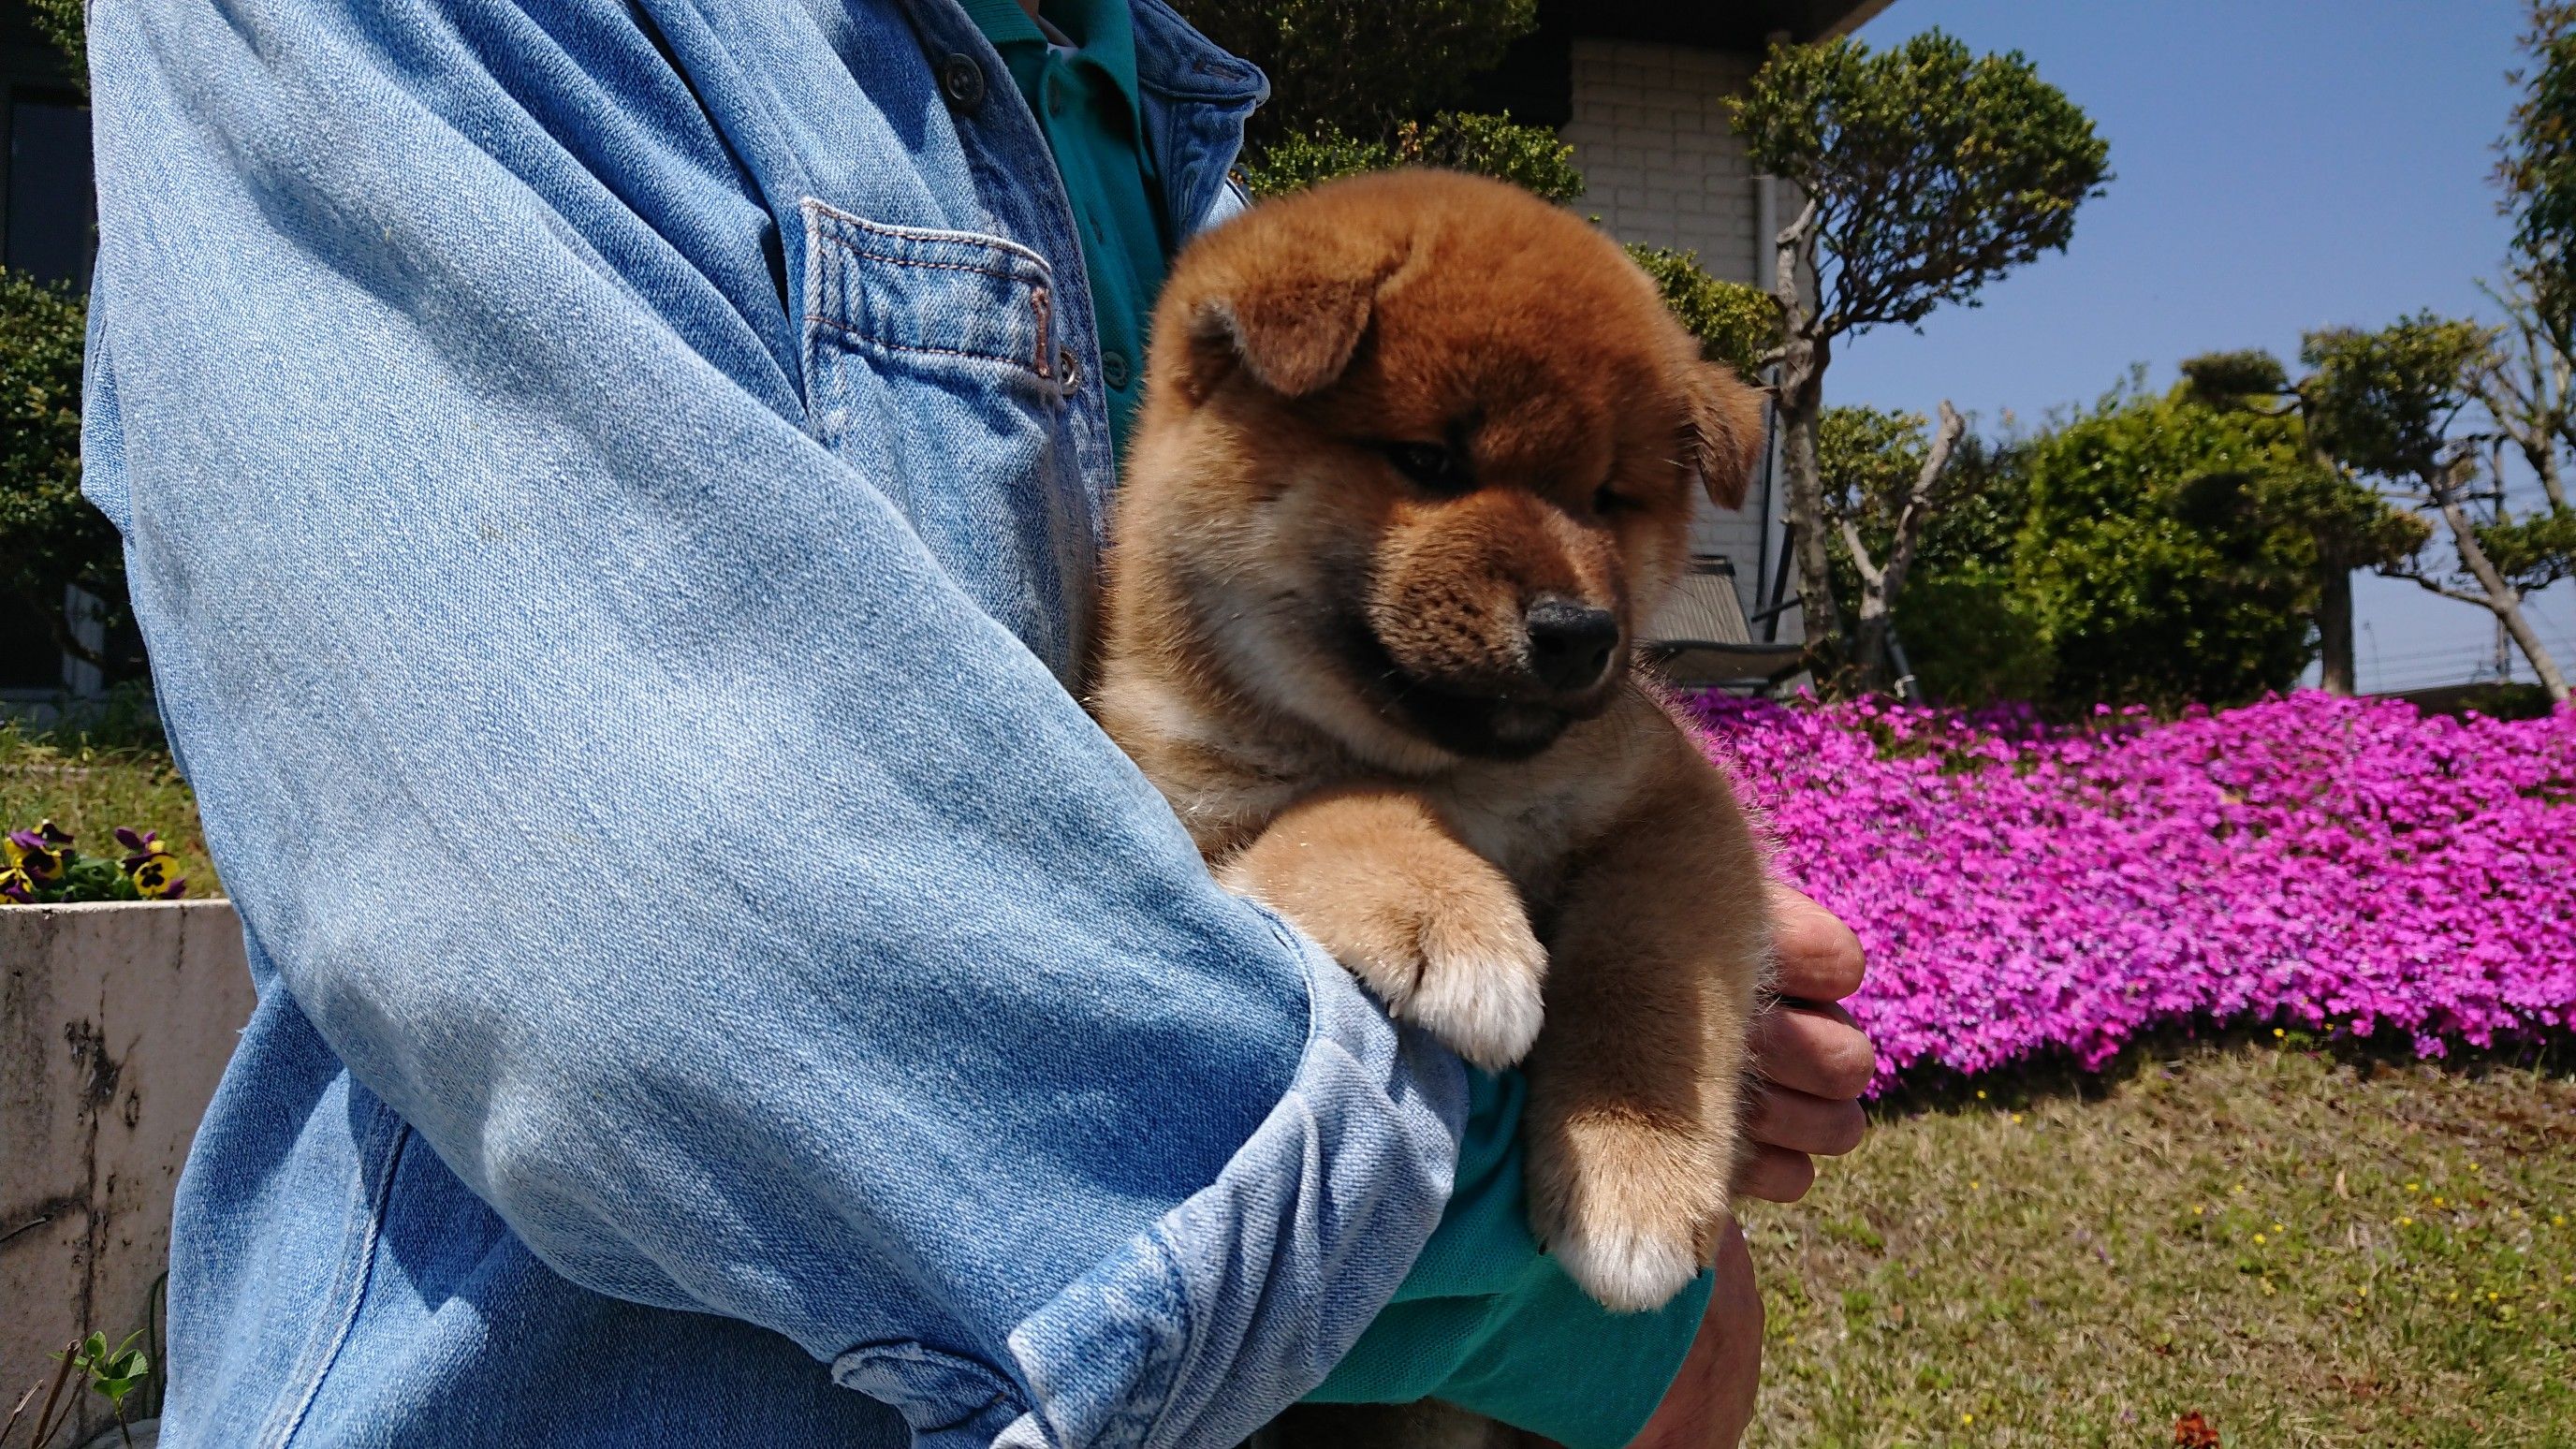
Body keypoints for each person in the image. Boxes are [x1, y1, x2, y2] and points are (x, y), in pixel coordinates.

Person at [81, 0, 1872, 1444]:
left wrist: (1654, 1026)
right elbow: (656, 941)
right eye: (1432, 469)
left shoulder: (1176, 154)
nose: (1566, 594)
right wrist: (1552, 1289)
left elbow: (1651, 840)